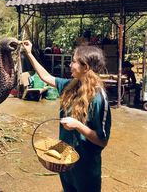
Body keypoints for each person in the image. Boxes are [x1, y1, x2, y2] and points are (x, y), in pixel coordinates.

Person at [22, 40, 111, 192]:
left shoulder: (98, 98)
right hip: (65, 159)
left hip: (86, 166)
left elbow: (102, 141)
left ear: (86, 67)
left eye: (74, 61)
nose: (70, 64)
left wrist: (77, 125)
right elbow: (46, 77)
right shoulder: (71, 86)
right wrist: (29, 53)